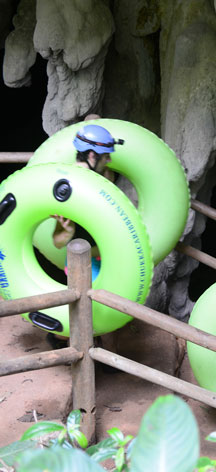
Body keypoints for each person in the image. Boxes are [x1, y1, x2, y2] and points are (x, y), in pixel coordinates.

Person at [46, 123, 124, 350]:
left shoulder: (104, 176)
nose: (109, 161)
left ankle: (99, 349)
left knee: (108, 310)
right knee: (90, 311)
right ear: (92, 155)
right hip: (83, 262)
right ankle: (63, 340)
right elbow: (57, 241)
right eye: (106, 156)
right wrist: (68, 231)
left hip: (108, 256)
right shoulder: (69, 187)